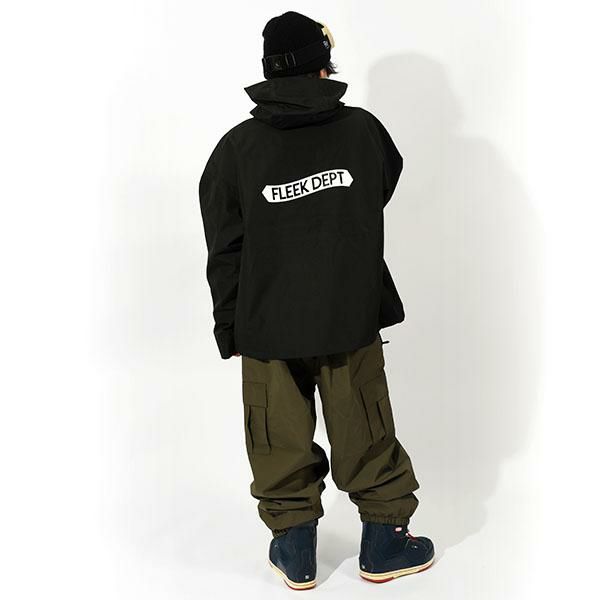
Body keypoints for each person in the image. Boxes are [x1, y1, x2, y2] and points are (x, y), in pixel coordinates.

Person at [198, 10, 435, 590]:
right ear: (322, 65)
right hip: (346, 313)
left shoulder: (236, 150)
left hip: (265, 324)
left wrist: (230, 326)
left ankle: (294, 547)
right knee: (364, 425)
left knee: (276, 436)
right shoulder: (363, 132)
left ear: (269, 71)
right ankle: (384, 543)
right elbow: (379, 187)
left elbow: (224, 246)